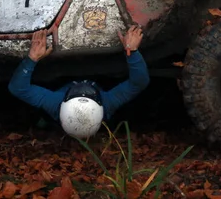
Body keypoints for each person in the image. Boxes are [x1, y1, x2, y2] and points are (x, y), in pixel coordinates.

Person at [8, 26, 150, 139]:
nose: (84, 88)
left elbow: (18, 88)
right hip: (100, 80)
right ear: (100, 105)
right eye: (89, 95)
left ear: (64, 103)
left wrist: (32, 59)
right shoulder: (108, 103)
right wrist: (132, 51)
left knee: (41, 116)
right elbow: (139, 82)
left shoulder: (54, 103)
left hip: (60, 84)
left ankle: (43, 122)